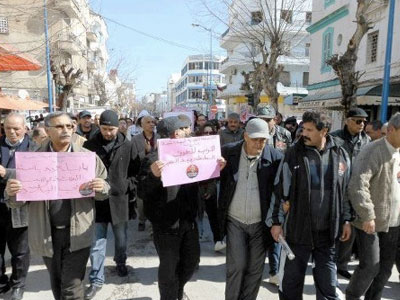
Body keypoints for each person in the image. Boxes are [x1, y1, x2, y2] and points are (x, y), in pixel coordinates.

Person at [5, 111, 110, 300]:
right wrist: (12, 193)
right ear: (47, 130)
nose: (66, 130)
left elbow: (104, 190)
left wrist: (102, 187)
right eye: (59, 126)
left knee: (72, 288)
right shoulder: (32, 161)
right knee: (57, 284)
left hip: (78, 233)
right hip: (46, 234)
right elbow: (16, 202)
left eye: (69, 126)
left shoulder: (87, 158)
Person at [269, 111, 352, 300]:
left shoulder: (340, 153)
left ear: (324, 131)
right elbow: (280, 189)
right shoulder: (293, 154)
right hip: (297, 232)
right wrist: (276, 221)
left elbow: (346, 191)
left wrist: (346, 219)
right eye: (303, 128)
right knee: (290, 285)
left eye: (309, 130)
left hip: (328, 233)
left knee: (328, 285)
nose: (303, 133)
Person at [141, 116, 226, 300]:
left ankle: (177, 290)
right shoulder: (152, 160)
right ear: (172, 135)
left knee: (191, 261)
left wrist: (216, 168)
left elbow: (201, 178)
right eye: (182, 130)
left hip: (189, 221)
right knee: (168, 267)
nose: (187, 133)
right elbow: (141, 191)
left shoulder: (190, 155)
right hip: (165, 226)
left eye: (186, 129)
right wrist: (154, 176)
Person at [219, 118, 282, 300]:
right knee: (237, 266)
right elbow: (211, 180)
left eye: (263, 139)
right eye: (255, 139)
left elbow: (279, 193)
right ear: (245, 136)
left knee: (255, 269)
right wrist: (218, 169)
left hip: (260, 223)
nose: (259, 143)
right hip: (235, 220)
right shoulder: (229, 153)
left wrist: (277, 221)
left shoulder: (275, 158)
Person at [83, 110, 140, 299]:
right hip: (96, 202)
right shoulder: (88, 146)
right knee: (97, 243)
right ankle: (96, 279)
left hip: (119, 201)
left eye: (112, 129)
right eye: (105, 128)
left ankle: (120, 261)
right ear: (99, 126)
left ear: (119, 127)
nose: (108, 133)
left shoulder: (128, 145)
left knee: (121, 238)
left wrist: (126, 186)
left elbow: (136, 172)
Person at [345, 112, 400, 300]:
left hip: (394, 222)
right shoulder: (372, 151)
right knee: (370, 266)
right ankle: (352, 296)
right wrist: (368, 214)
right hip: (371, 222)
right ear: (391, 130)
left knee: (385, 270)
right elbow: (358, 184)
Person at [331, 107, 370, 279]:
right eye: (358, 120)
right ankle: (326, 259)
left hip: (356, 187)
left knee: (351, 228)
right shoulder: (335, 137)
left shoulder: (366, 140)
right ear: (348, 120)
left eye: (364, 121)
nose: (362, 124)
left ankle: (341, 264)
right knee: (334, 225)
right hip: (336, 187)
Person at [0, 113, 33, 300]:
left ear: (25, 128)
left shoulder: (34, 148)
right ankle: (1, 281)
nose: (11, 132)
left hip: (21, 206)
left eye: (16, 129)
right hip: (0, 205)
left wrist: (7, 173)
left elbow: (36, 174)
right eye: (7, 129)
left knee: (20, 251)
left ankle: (18, 284)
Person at [197, 122, 226, 252]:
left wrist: (211, 187)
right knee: (196, 217)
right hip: (196, 187)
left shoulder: (216, 149)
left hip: (210, 186)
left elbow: (216, 171)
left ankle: (218, 241)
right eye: (205, 132)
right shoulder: (194, 147)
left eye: (211, 133)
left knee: (214, 215)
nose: (208, 135)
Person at [132, 115, 157, 232]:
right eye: (148, 122)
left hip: (157, 175)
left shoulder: (160, 137)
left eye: (153, 122)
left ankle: (154, 223)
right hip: (142, 175)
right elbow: (133, 159)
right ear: (142, 125)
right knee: (141, 201)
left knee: (155, 200)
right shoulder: (135, 139)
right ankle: (142, 220)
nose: (151, 124)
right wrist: (145, 152)